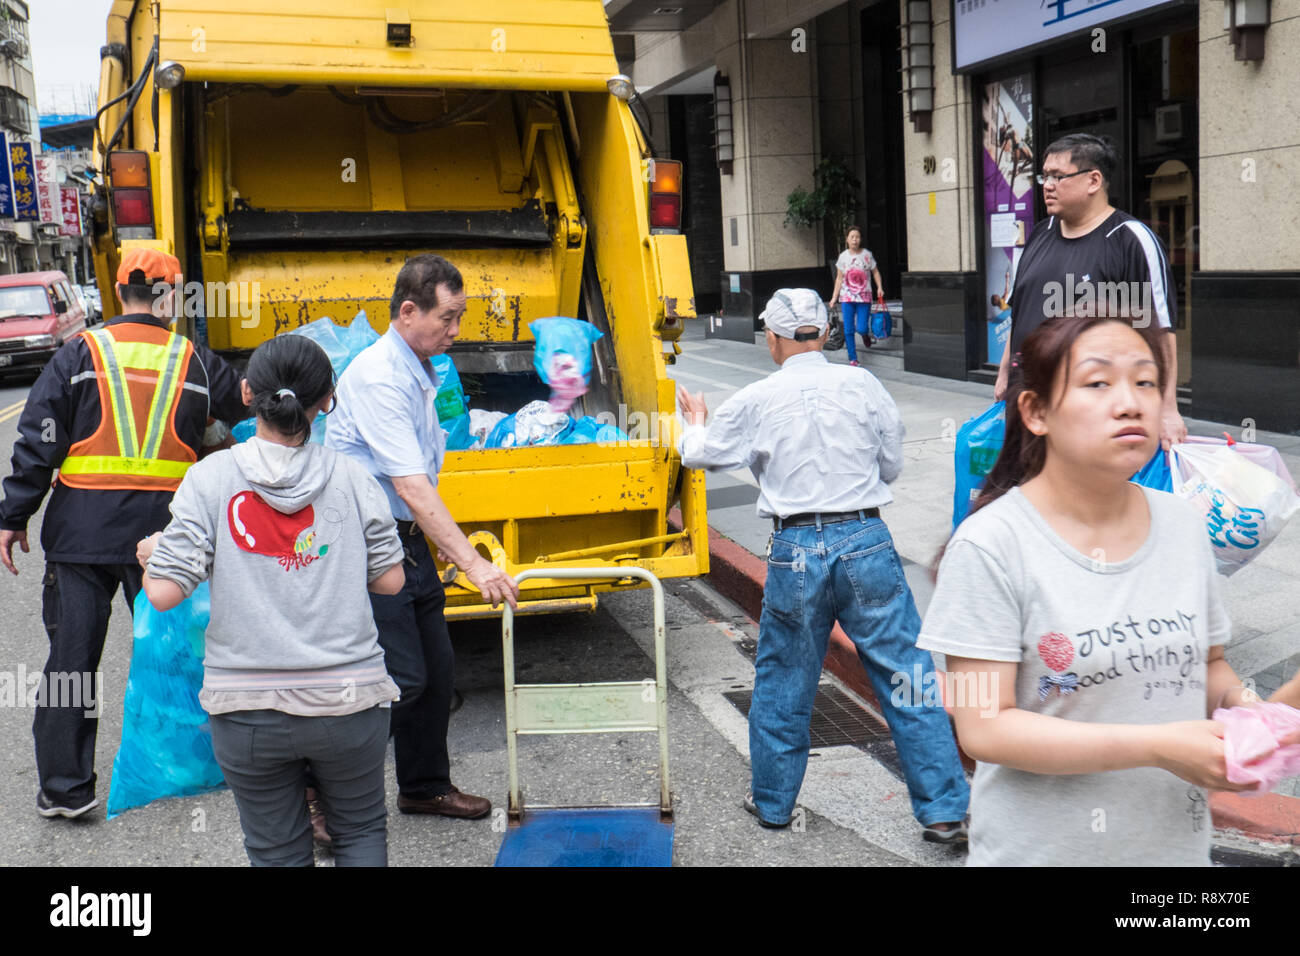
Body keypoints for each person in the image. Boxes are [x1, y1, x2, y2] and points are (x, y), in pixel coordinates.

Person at [919, 313, 1300, 866]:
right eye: (1099, 383)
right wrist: (1157, 747)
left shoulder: (1184, 524)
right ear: (1037, 411)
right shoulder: (990, 546)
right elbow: (983, 728)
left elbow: (1209, 665)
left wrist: (1260, 716)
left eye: (1146, 382)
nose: (1131, 403)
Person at [676, 288, 970, 843]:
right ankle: (944, 811)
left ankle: (773, 804)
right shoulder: (864, 384)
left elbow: (700, 454)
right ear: (824, 332)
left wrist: (696, 421)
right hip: (866, 538)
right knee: (906, 675)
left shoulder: (758, 396)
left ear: (775, 337)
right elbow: (892, 463)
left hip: (796, 548)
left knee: (786, 677)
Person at [137, 335, 406, 866]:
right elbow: (391, 581)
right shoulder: (353, 477)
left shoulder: (209, 479)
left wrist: (154, 553)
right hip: (348, 700)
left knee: (275, 850)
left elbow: (165, 594)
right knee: (360, 833)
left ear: (245, 392)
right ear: (326, 399)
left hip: (246, 709)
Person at [0, 248, 247, 820]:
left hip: (81, 537)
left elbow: (40, 439)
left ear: (117, 293)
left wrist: (14, 515)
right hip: (163, 540)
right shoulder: (196, 360)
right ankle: (187, 766)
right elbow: (250, 405)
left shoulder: (77, 354)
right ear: (171, 297)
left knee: (71, 660)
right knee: (178, 653)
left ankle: (65, 789)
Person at [325, 253, 519, 821]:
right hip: (368, 545)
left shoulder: (420, 369)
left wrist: (438, 545)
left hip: (405, 541)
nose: (456, 332)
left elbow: (419, 480)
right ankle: (317, 787)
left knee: (437, 673)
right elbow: (410, 485)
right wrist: (476, 564)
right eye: (448, 318)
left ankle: (424, 786)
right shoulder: (381, 377)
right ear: (408, 311)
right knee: (400, 678)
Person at [994, 132, 1187, 452]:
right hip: (1026, 404)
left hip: (1089, 413)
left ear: (1093, 180)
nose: (1047, 185)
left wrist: (1167, 409)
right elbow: (1019, 311)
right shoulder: (1040, 233)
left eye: (1058, 176)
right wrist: (1004, 376)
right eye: (1044, 176)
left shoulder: (1130, 240)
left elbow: (1160, 331)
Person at [828, 226, 885, 366]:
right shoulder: (843, 257)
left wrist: (879, 287)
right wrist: (834, 298)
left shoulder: (867, 255)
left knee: (861, 328)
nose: (855, 240)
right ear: (847, 239)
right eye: (852, 237)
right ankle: (852, 358)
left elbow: (875, 272)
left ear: (861, 239)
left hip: (864, 297)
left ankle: (865, 335)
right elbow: (839, 279)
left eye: (857, 237)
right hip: (847, 298)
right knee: (848, 329)